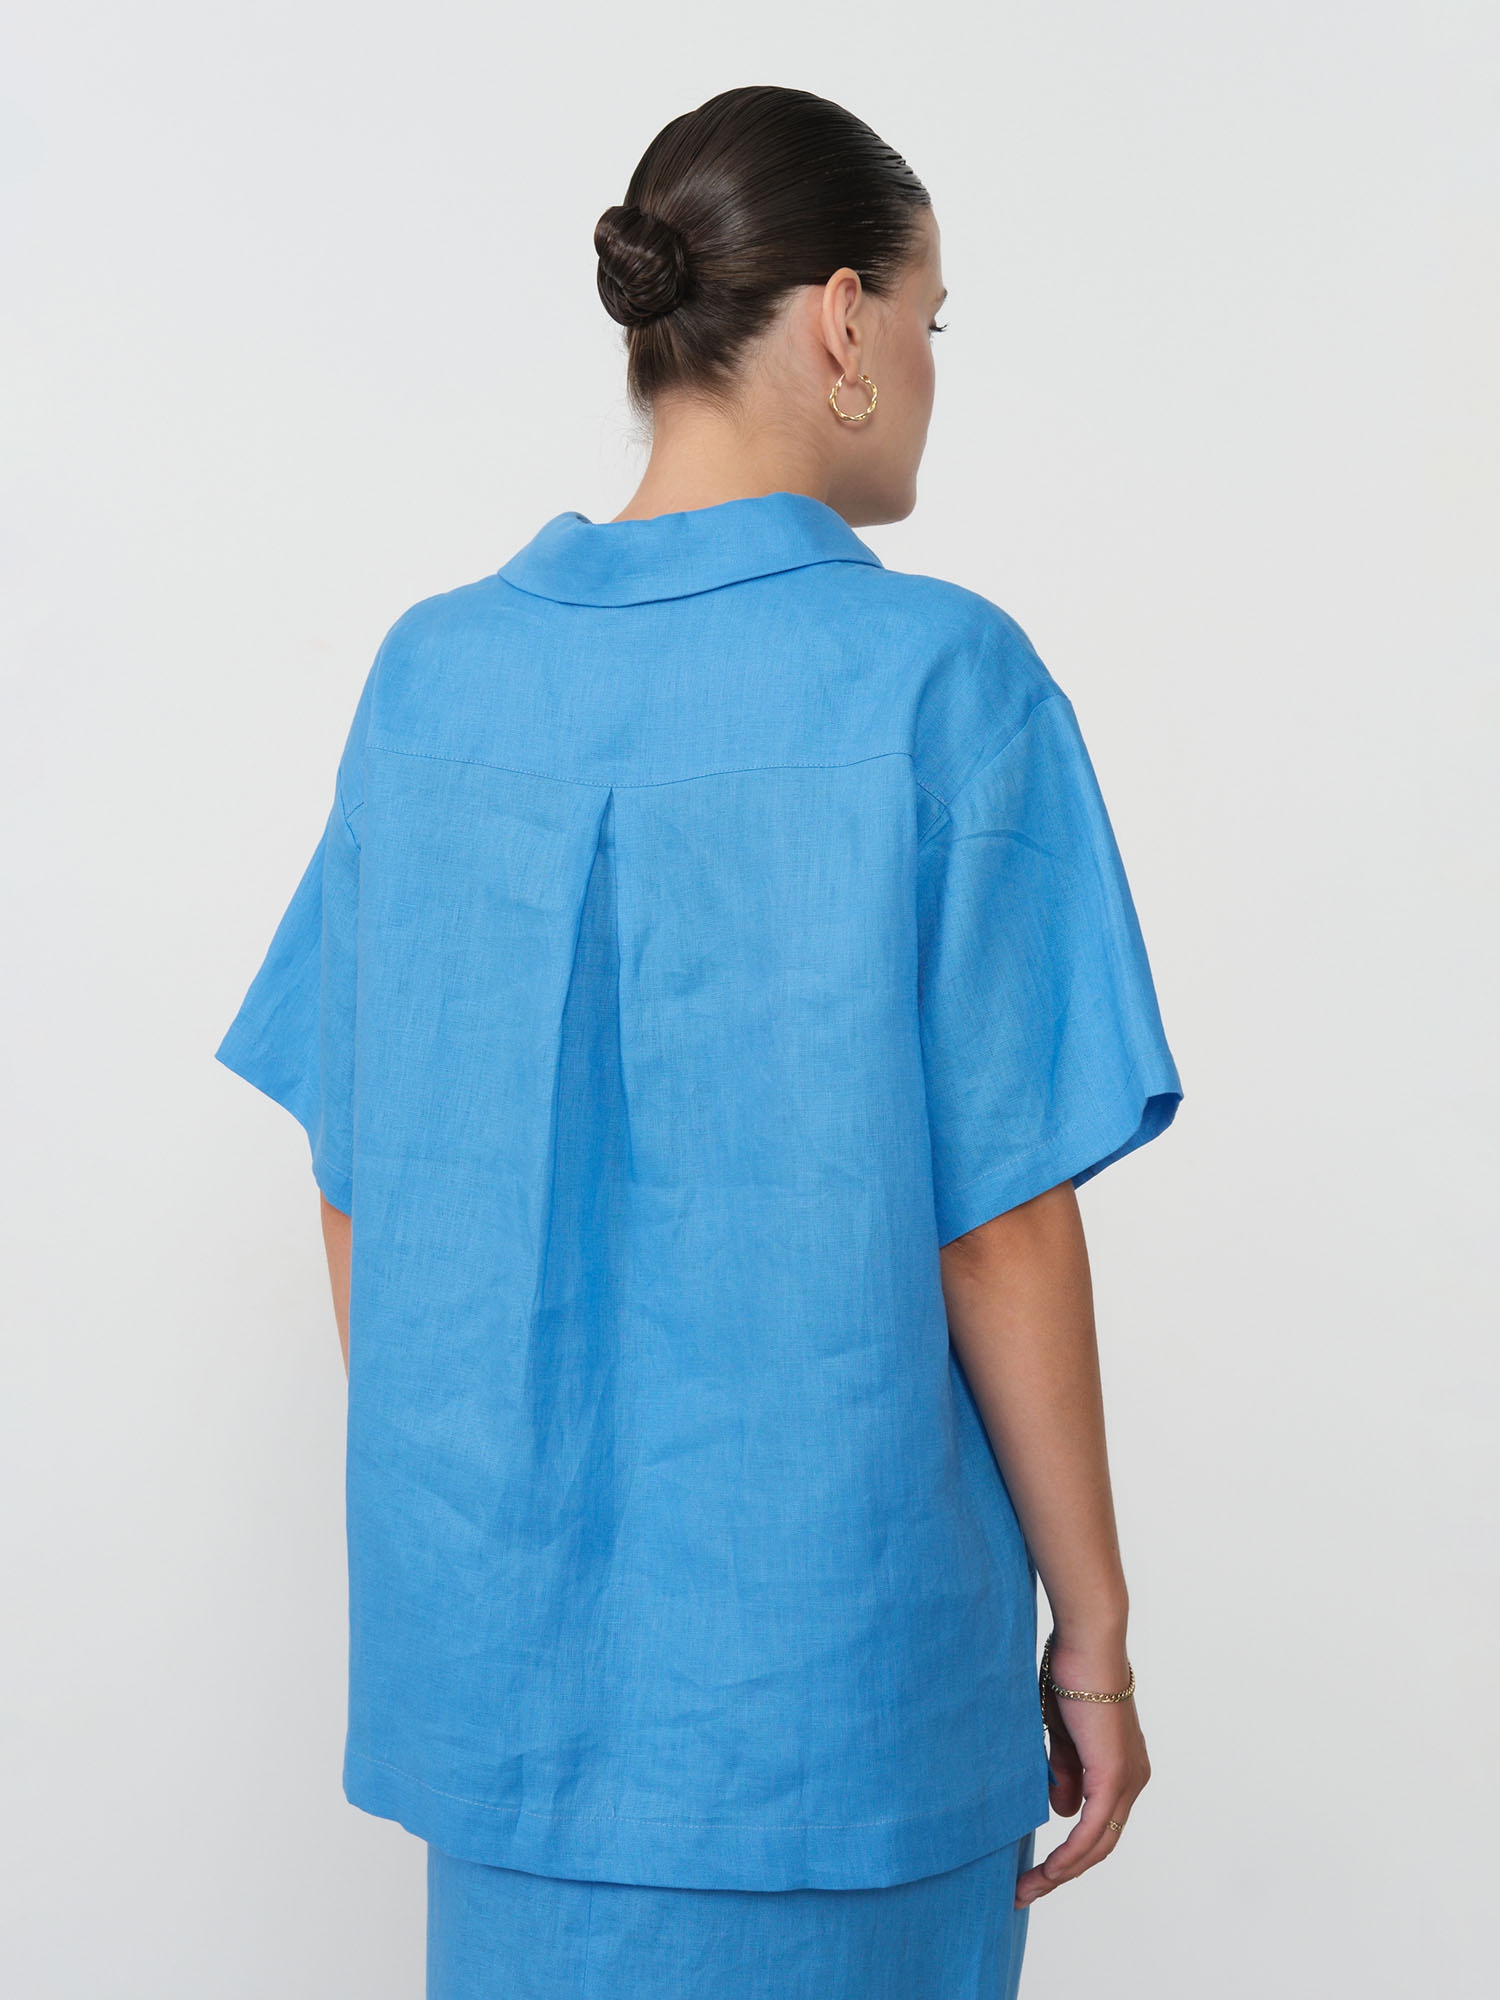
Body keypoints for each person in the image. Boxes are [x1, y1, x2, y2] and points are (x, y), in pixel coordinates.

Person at [217, 83, 1183, 2000]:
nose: (929, 368)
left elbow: (360, 1186)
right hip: (848, 1692)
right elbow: (999, 1225)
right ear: (842, 319)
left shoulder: (435, 677)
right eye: (930, 319)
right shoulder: (943, 681)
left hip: (510, 1693)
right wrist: (1092, 1640)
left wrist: (503, 1535)